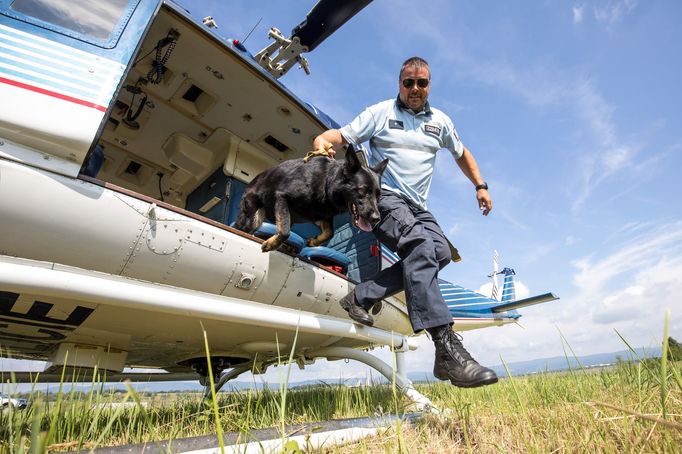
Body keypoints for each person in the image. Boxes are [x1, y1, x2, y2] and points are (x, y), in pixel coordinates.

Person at [312, 56, 497, 388]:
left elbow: (462, 152)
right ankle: (447, 349)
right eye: (408, 82)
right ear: (399, 84)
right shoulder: (381, 113)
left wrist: (480, 185)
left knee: (439, 252)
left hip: (419, 208)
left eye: (421, 83)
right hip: (383, 198)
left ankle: (361, 296)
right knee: (420, 246)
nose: (415, 88)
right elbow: (341, 135)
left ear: (429, 86)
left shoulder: (440, 122)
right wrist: (322, 143)